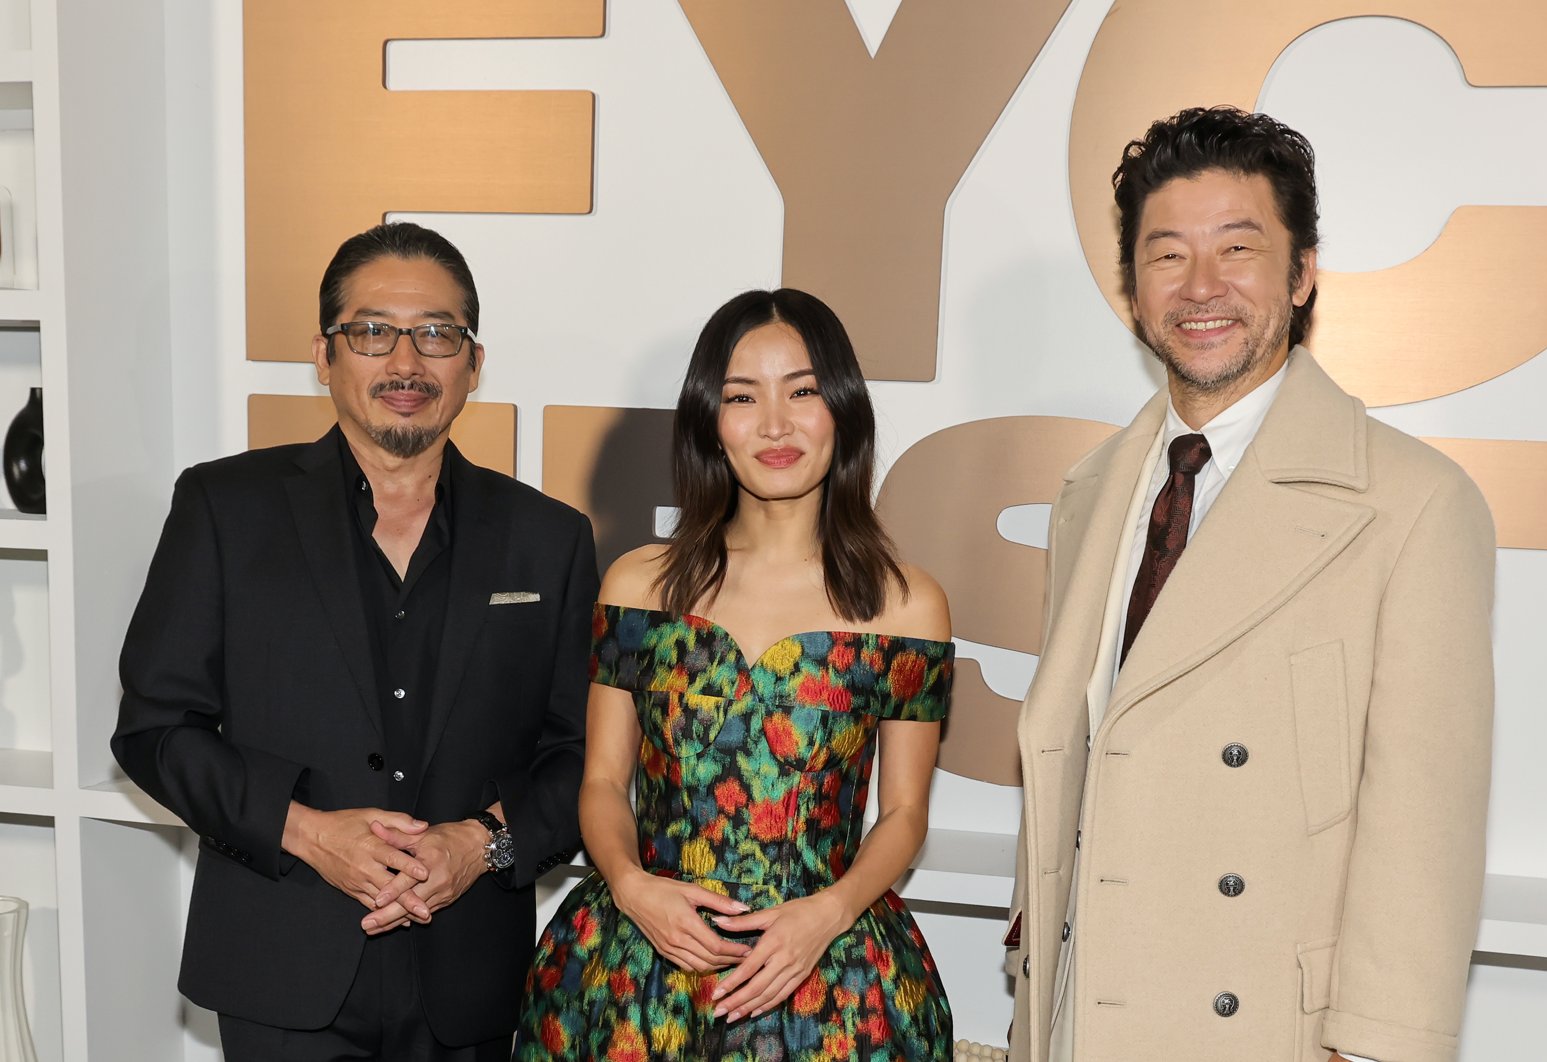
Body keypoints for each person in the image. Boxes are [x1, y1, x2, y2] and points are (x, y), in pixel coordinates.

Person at [1006, 107, 1495, 1062]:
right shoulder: (1091, 491)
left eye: (1239, 249)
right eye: (1167, 255)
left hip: (1263, 1030)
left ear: (1303, 272)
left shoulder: (1412, 504)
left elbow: (1423, 834)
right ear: (1131, 285)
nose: (1201, 288)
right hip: (1076, 1020)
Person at [111, 221, 598, 1060]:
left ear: (474, 362)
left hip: (470, 983)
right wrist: (305, 831)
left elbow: (585, 755)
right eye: (372, 332)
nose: (404, 363)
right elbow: (155, 731)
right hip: (280, 966)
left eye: (437, 334)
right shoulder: (225, 509)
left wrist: (482, 845)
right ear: (324, 354)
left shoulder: (548, 539)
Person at [513, 288, 954, 1060]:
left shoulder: (906, 604)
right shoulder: (639, 585)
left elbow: (904, 815)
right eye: (742, 396)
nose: (775, 424)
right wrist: (630, 885)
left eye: (804, 391)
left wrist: (827, 914)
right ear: (709, 423)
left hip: (829, 978)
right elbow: (602, 782)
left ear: (842, 411)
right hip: (638, 971)